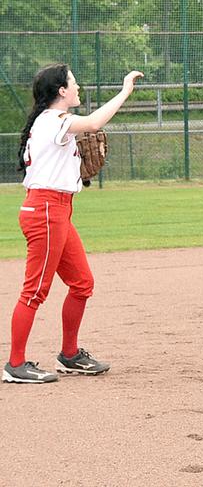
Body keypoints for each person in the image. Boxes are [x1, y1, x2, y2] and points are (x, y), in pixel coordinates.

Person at [3, 64, 143, 384]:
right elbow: (93, 123)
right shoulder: (54, 119)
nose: (78, 88)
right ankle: (15, 364)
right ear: (61, 91)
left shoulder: (52, 124)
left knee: (82, 284)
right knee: (35, 291)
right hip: (46, 212)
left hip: (59, 210)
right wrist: (125, 91)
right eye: (73, 83)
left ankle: (69, 355)